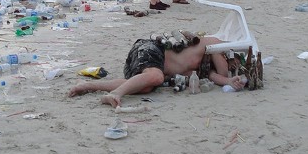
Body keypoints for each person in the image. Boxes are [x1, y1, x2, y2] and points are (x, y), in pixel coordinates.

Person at [68, 35, 245, 108]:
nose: (233, 66)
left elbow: (216, 76)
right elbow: (222, 70)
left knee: (146, 85)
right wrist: (229, 61)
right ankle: (115, 94)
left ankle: (88, 85)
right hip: (151, 49)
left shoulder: (206, 66)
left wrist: (229, 82)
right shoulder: (214, 44)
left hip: (149, 64)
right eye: (235, 61)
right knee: (155, 77)